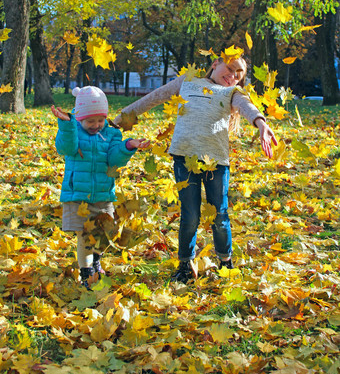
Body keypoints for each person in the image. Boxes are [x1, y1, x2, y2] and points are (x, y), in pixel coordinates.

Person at [114, 55, 277, 283]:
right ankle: (185, 264)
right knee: (190, 215)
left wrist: (261, 123)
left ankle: (225, 262)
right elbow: (153, 97)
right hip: (184, 157)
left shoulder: (232, 93)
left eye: (238, 75)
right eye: (229, 68)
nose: (232, 76)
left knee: (219, 214)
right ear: (214, 64)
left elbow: (248, 107)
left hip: (216, 163)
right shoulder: (188, 81)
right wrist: (120, 119)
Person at [52, 86, 149, 289]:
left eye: (100, 120)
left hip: (104, 194)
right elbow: (65, 148)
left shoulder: (111, 134)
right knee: (85, 236)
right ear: (79, 118)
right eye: (90, 121)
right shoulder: (73, 131)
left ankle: (95, 261)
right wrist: (67, 125)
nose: (96, 125)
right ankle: (86, 273)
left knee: (104, 234)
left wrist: (127, 146)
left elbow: (114, 159)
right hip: (78, 195)